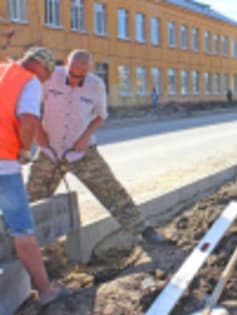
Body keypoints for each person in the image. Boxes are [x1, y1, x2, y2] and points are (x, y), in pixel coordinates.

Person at [26, 49, 162, 243]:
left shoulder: (96, 86)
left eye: (80, 77)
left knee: (113, 192)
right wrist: (39, 135)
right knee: (32, 199)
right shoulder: (51, 77)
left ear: (89, 70)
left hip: (82, 153)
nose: (74, 81)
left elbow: (100, 116)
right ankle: (23, 244)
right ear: (66, 64)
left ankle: (143, 230)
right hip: (51, 151)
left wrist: (85, 138)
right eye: (72, 75)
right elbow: (30, 108)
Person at [0, 47, 74, 305]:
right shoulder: (28, 80)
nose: (44, 82)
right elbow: (29, 121)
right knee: (22, 230)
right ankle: (46, 291)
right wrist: (23, 150)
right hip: (3, 165)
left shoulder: (3, 72)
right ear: (40, 66)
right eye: (46, 76)